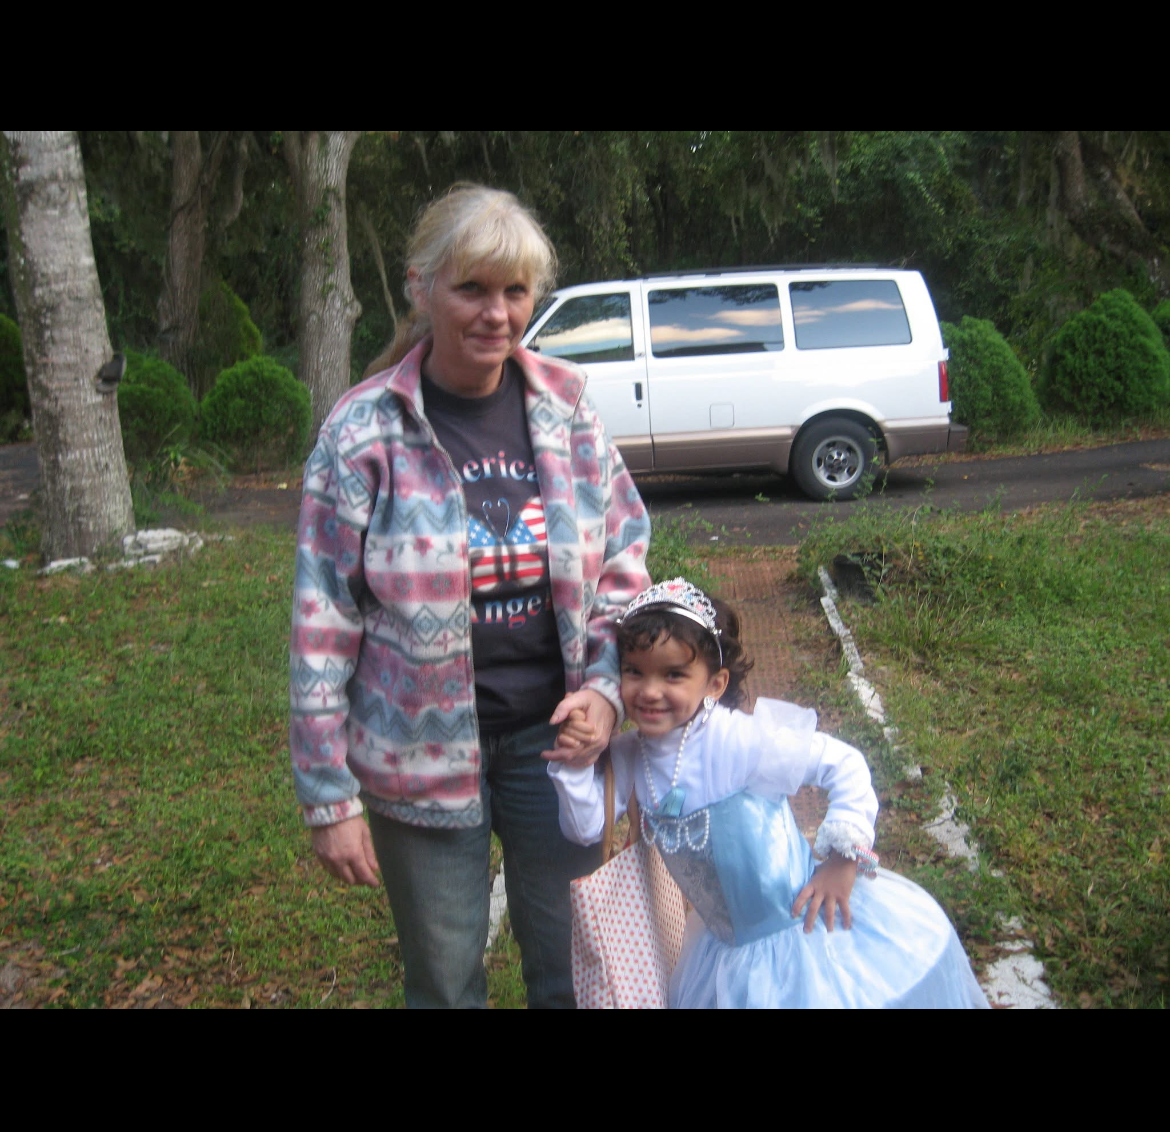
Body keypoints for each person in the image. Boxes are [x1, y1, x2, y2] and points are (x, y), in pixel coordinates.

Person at [289, 183, 651, 1008]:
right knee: (447, 982)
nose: (497, 312)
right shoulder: (362, 433)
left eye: (515, 291)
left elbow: (623, 553)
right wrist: (327, 797)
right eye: (473, 289)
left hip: (552, 745)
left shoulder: (567, 410)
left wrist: (603, 687)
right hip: (417, 762)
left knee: (573, 966)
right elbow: (322, 622)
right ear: (421, 288)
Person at [548, 579, 990, 1009]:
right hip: (723, 953)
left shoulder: (739, 742)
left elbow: (845, 765)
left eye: (674, 675)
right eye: (634, 672)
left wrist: (841, 861)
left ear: (714, 684)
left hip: (803, 932)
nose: (649, 691)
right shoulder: (629, 754)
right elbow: (586, 828)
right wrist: (575, 764)